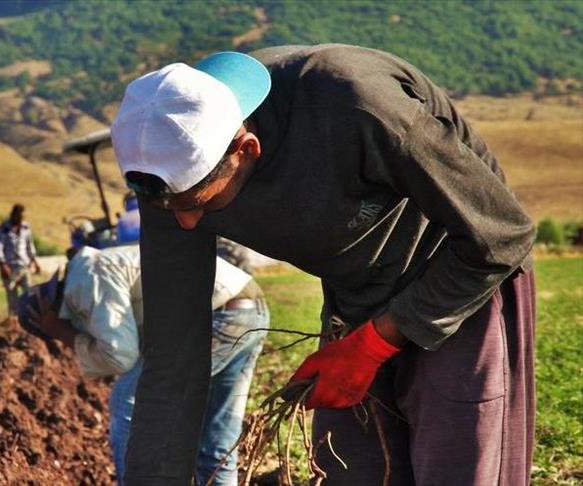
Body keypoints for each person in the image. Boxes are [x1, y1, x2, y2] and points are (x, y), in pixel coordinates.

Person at [109, 45, 536, 485]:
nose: (186, 223)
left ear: (245, 149)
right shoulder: (166, 173)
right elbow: (173, 357)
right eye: (172, 208)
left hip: (458, 278)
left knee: (457, 464)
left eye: (201, 203)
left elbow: (501, 234)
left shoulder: (357, 105)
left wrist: (375, 343)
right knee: (354, 469)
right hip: (353, 297)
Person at [21, 245, 268, 486]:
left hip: (218, 315)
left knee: (129, 399)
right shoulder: (92, 270)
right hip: (246, 309)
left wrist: (62, 333)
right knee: (216, 441)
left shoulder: (85, 277)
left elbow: (120, 356)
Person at [0, 204, 40, 316]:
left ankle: (29, 318)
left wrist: (35, 261)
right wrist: (3, 265)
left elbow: (30, 246)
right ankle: (13, 320)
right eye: (19, 217)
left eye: (22, 217)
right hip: (10, 268)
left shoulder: (26, 228)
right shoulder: (3, 230)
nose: (20, 220)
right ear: (13, 215)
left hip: (24, 266)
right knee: (12, 298)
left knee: (29, 294)